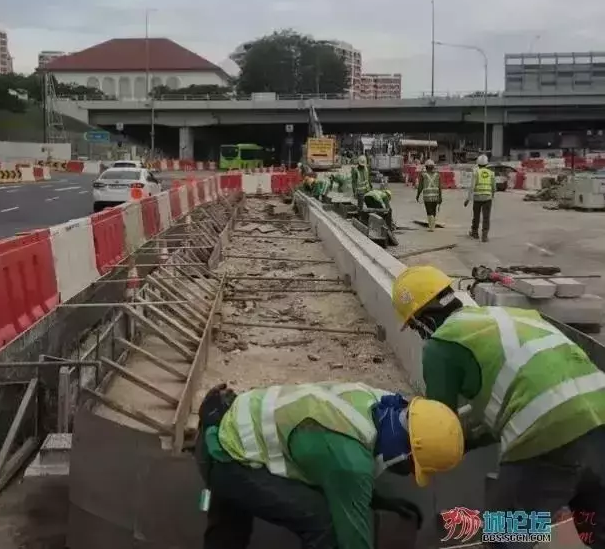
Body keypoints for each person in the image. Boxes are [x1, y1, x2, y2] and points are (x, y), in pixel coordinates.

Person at [391, 265, 605, 549]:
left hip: (548, 436)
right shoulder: (513, 316)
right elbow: (512, 402)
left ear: (423, 320)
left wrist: (410, 456)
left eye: (415, 326)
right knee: (596, 527)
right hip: (599, 415)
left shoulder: (442, 346)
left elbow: (440, 428)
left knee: (505, 534)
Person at [195, 381, 465, 549]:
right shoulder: (350, 462)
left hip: (231, 426)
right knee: (323, 523)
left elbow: (332, 466)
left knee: (228, 532)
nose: (408, 474)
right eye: (413, 467)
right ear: (405, 452)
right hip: (226, 457)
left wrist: (377, 499)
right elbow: (353, 540)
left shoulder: (374, 400)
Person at [464, 154, 495, 242]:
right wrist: (492, 194)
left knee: (476, 216)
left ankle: (475, 233)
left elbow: (472, 187)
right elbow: (494, 186)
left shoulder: (475, 172)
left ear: (478, 163)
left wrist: (468, 199)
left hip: (477, 198)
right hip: (487, 198)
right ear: (487, 163)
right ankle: (484, 236)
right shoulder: (491, 173)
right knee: (486, 217)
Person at [415, 159, 442, 232]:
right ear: (433, 167)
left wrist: (417, 195)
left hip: (427, 197)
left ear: (426, 167)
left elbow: (420, 186)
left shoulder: (423, 175)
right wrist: (440, 198)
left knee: (429, 211)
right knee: (433, 211)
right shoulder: (437, 174)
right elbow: (440, 187)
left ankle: (431, 227)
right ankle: (432, 225)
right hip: (435, 196)